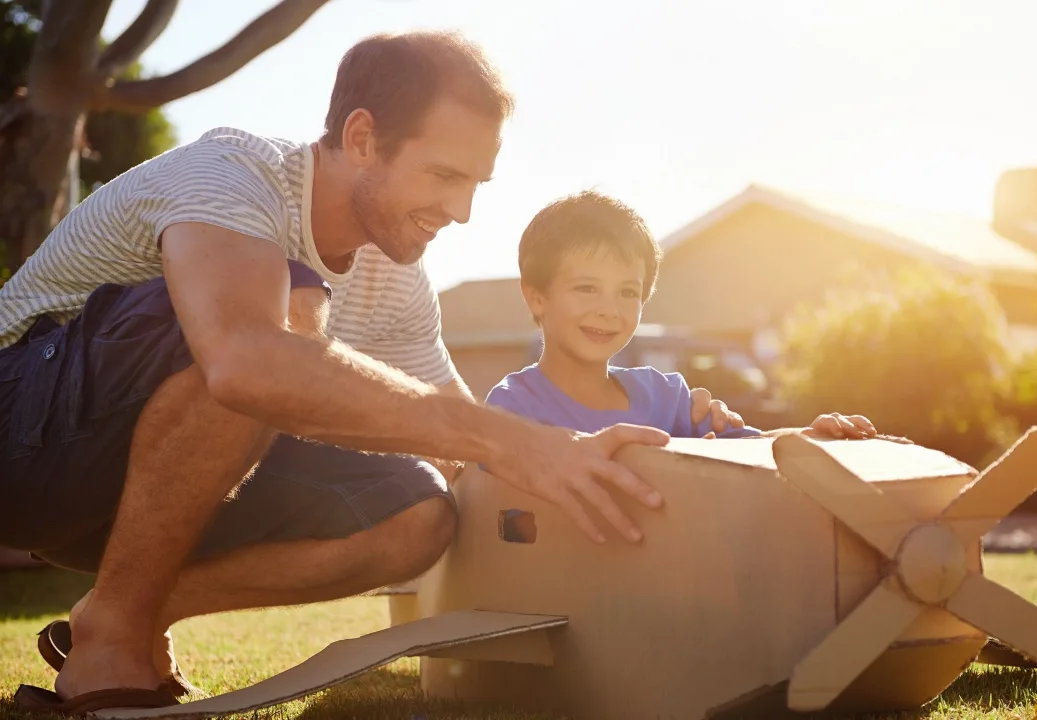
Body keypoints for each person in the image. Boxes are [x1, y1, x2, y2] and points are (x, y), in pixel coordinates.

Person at [0, 33, 739, 713]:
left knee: (417, 509)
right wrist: (514, 443)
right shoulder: (234, 173)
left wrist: (592, 461)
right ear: (361, 138)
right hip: (20, 445)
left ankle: (124, 610)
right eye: (446, 175)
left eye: (477, 182)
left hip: (134, 493)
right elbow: (245, 359)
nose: (462, 210)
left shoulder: (395, 276)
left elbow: (460, 440)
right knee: (268, 333)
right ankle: (114, 649)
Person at [484, 190, 879, 441]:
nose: (609, 309)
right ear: (536, 297)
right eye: (587, 288)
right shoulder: (512, 409)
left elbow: (755, 449)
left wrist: (809, 435)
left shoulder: (666, 397)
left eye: (628, 292)